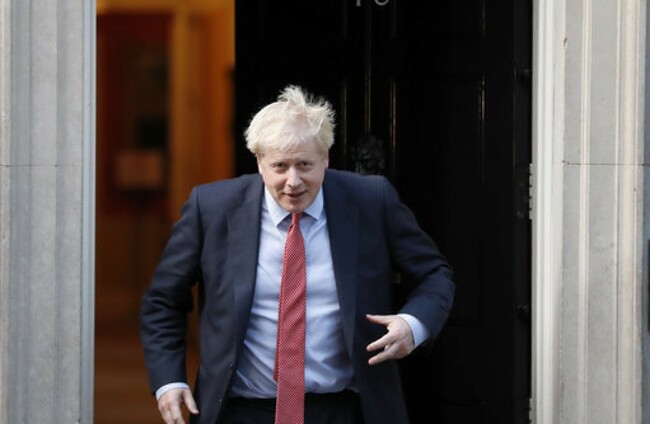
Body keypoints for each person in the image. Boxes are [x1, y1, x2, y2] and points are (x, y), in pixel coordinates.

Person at [140, 85, 454, 424]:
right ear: (260, 162)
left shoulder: (371, 200)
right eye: (280, 166)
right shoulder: (212, 208)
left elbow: (434, 274)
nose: (293, 181)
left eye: (305, 164)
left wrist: (413, 324)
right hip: (241, 411)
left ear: (325, 158)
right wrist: (169, 380)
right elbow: (163, 301)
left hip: (344, 409)